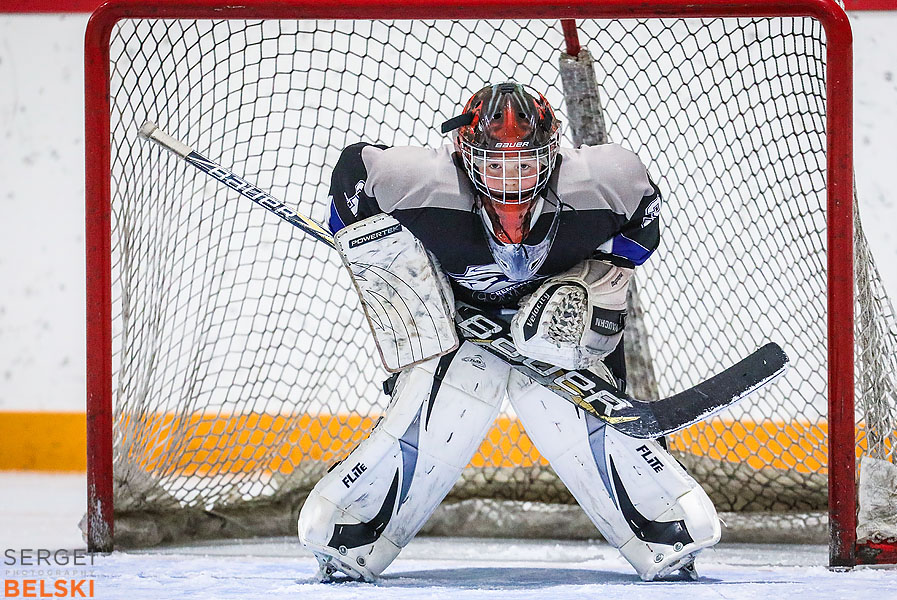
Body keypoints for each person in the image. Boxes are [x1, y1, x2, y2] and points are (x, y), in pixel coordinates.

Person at [298, 81, 720, 582]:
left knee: (566, 401)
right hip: (458, 322)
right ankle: (355, 534)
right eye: (495, 162)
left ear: (553, 146)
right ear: (461, 149)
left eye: (525, 161)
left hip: (560, 317)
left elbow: (643, 226)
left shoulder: (605, 180)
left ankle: (662, 533)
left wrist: (593, 285)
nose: (511, 176)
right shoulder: (417, 183)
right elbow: (352, 176)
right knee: (452, 395)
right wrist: (399, 277)